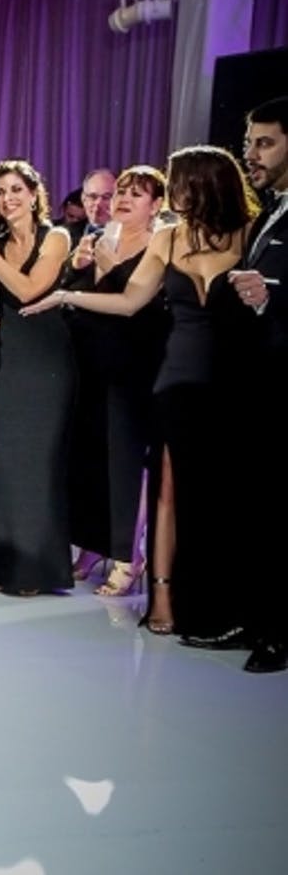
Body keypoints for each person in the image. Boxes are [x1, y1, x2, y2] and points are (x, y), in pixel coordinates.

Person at [23, 146, 257, 648]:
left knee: (224, 493)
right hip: (175, 375)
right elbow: (130, 301)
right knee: (167, 491)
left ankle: (226, 602)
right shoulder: (170, 236)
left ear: (206, 183)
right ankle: (164, 598)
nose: (172, 193)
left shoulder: (248, 233)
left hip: (232, 379)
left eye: (178, 182)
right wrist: (66, 293)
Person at [0, 160, 75, 595]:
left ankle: (39, 569)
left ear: (33, 193)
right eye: (1, 192)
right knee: (4, 463)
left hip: (46, 362)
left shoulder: (56, 236)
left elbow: (29, 290)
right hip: (4, 359)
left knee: (39, 464)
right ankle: (5, 564)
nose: (8, 199)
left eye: (16, 190)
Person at [61, 166, 168, 598]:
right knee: (89, 457)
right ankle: (91, 546)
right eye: (121, 191)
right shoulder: (101, 235)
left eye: (136, 194)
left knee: (125, 463)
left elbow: (134, 303)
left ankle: (128, 555)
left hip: (134, 365)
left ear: (156, 205)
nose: (122, 199)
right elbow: (74, 294)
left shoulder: (160, 242)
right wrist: (77, 266)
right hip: (90, 362)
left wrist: (106, 268)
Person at [228, 96, 288, 672]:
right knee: (260, 510)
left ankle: (278, 635)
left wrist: (272, 298)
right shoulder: (272, 209)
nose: (252, 154)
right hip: (258, 387)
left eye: (265, 143)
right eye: (249, 143)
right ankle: (258, 621)